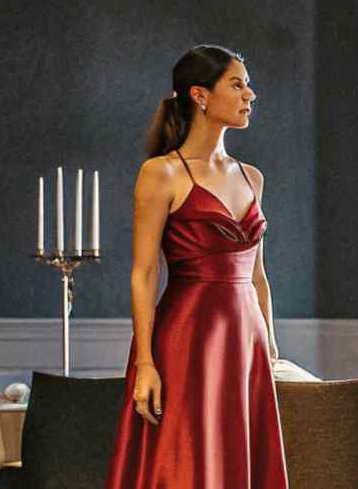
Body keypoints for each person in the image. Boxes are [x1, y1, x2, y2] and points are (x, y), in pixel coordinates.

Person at [107, 45, 287, 488]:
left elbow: (257, 274)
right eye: (237, 83)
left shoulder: (252, 177)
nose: (251, 94)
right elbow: (144, 273)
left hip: (247, 345)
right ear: (200, 95)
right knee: (188, 462)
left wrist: (270, 342)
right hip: (188, 342)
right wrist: (146, 363)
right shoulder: (161, 174)